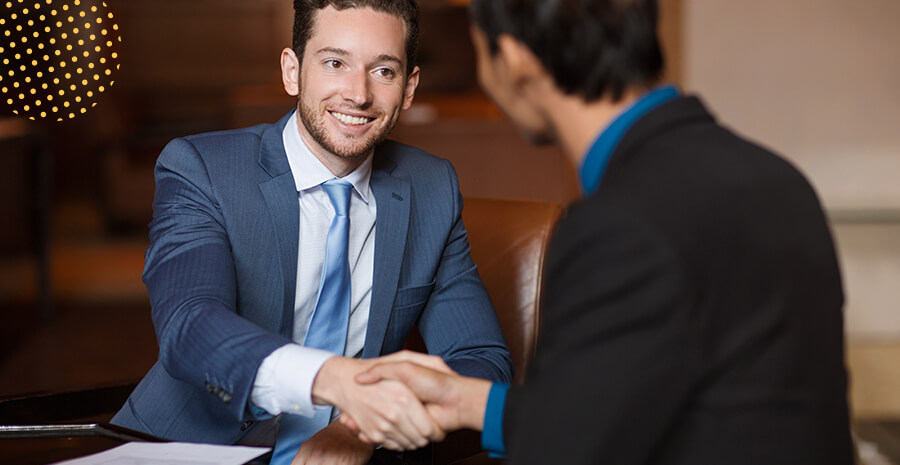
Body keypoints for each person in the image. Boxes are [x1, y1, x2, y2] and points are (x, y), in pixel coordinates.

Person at [347, 0, 854, 463]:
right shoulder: (779, 180)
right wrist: (469, 402)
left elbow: (572, 451)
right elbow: (647, 405)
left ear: (516, 59)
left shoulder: (622, 225)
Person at [110, 0, 512, 464]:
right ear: (292, 70)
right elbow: (190, 326)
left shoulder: (433, 188)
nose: (358, 94)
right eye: (335, 63)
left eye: (383, 71)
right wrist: (333, 379)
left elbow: (481, 358)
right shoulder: (203, 170)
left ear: (409, 88)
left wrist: (362, 428)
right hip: (188, 449)